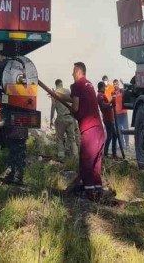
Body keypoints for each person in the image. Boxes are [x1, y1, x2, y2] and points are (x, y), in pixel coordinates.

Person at [58, 62, 105, 201]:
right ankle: (98, 191)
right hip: (99, 130)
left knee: (85, 162)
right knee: (95, 163)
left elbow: (76, 106)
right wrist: (59, 96)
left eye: (73, 71)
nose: (71, 74)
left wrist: (73, 112)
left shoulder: (76, 85)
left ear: (78, 72)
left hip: (89, 130)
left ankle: (89, 194)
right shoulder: (88, 85)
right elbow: (74, 98)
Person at [51, 79, 79, 159]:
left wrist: (51, 119)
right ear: (61, 84)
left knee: (60, 138)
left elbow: (53, 107)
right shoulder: (68, 91)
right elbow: (73, 102)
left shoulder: (55, 92)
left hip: (61, 118)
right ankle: (76, 157)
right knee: (72, 139)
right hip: (70, 118)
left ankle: (61, 157)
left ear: (56, 85)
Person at [97, 82, 117, 158]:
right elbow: (103, 106)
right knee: (110, 136)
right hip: (108, 119)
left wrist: (111, 105)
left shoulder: (101, 95)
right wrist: (111, 102)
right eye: (104, 87)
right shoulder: (100, 95)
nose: (105, 89)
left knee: (114, 136)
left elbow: (107, 107)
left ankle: (113, 153)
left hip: (109, 118)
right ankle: (105, 153)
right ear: (101, 87)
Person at [112, 79, 130, 151]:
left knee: (126, 129)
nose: (115, 85)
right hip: (117, 114)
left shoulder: (121, 90)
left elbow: (126, 90)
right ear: (113, 85)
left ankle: (127, 144)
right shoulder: (113, 93)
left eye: (116, 84)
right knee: (119, 130)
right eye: (114, 84)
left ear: (118, 84)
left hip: (123, 113)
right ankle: (122, 145)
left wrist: (123, 83)